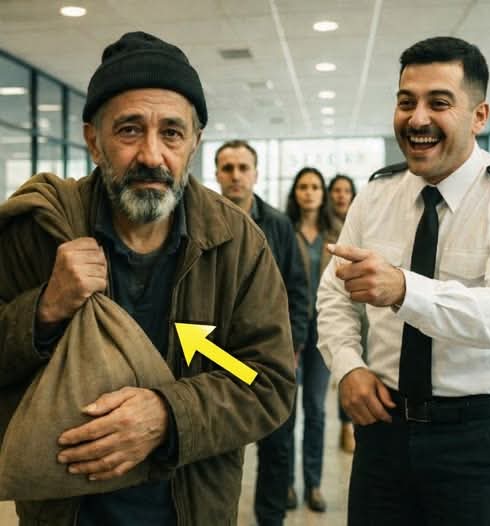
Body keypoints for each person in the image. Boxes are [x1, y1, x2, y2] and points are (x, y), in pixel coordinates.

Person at [0, 31, 296, 526]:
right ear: (93, 140)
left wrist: (167, 414)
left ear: (195, 142)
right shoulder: (41, 231)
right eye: (130, 130)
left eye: (172, 133)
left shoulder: (236, 243)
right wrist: (44, 311)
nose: (152, 156)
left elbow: (264, 380)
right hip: (66, 512)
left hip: (191, 509)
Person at [317, 35, 490, 526]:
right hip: (383, 430)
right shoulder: (377, 194)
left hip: (480, 442)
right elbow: (334, 294)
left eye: (439, 103)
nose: (417, 119)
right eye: (406, 102)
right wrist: (348, 366)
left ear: (479, 116)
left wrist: (404, 289)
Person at [214, 139, 308, 526]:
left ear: (255, 173)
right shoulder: (202, 219)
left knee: (277, 446)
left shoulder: (279, 225)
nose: (235, 176)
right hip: (216, 355)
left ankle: (271, 519)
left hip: (269, 356)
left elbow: (299, 289)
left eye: (243, 168)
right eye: (228, 168)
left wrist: (293, 346)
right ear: (217, 174)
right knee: (215, 446)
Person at [285, 167, 338, 513]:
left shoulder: (336, 233)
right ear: (295, 192)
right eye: (303, 186)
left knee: (316, 409)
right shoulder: (284, 231)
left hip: (324, 331)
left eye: (315, 187)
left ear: (323, 193)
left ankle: (314, 484)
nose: (309, 192)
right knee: (287, 410)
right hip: (291, 329)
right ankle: (287, 483)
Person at [328, 174, 358, 453]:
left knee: (348, 367)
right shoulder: (323, 228)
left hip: (354, 304)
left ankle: (346, 425)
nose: (341, 196)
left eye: (346, 191)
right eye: (336, 191)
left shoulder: (360, 225)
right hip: (323, 304)